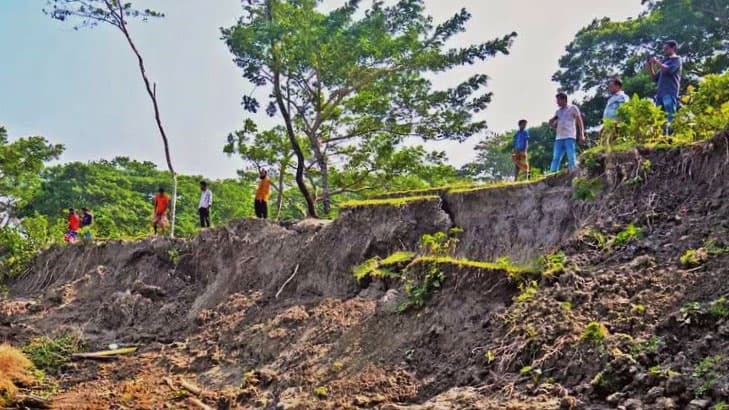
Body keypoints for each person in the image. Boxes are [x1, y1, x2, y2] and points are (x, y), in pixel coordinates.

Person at [646, 40, 682, 126]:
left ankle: (671, 137)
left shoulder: (677, 59)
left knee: (670, 117)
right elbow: (655, 78)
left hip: (670, 93)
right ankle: (663, 137)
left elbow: (669, 70)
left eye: (666, 49)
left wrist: (657, 62)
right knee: (660, 119)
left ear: (673, 48)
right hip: (660, 95)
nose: (664, 51)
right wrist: (650, 65)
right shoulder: (665, 62)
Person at [549, 92, 585, 173]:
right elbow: (556, 126)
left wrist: (582, 134)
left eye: (558, 100)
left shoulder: (573, 108)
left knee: (571, 156)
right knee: (556, 158)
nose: (557, 102)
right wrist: (551, 123)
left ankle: (573, 173)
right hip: (559, 138)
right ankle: (552, 175)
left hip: (569, 136)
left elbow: (579, 121)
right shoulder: (558, 112)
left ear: (564, 100)